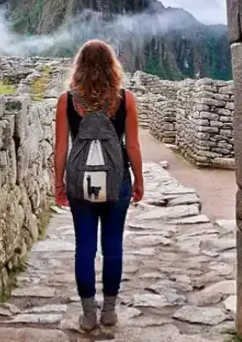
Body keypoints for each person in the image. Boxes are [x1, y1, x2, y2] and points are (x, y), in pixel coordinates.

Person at [54, 39, 144, 331]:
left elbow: (60, 149)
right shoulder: (125, 99)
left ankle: (88, 315)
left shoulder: (67, 101)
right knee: (113, 246)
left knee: (85, 247)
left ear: (79, 66)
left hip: (80, 185)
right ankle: (109, 312)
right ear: (111, 66)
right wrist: (139, 179)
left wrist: (58, 182)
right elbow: (132, 146)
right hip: (117, 183)